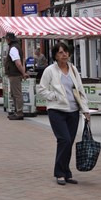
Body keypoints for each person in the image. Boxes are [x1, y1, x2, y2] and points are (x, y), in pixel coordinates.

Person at [36, 41, 90, 186]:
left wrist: (85, 109)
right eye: (60, 52)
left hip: (73, 111)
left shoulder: (73, 69)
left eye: (66, 51)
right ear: (55, 55)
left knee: (69, 142)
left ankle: (66, 173)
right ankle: (59, 173)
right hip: (56, 110)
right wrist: (54, 96)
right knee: (64, 140)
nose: (64, 54)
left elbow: (80, 90)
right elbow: (41, 89)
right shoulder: (50, 70)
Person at [4, 32, 29, 120]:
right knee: (15, 94)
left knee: (17, 94)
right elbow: (22, 61)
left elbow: (18, 63)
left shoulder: (13, 48)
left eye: (6, 38)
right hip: (15, 74)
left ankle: (19, 112)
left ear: (9, 39)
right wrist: (23, 72)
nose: (6, 40)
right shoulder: (17, 46)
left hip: (14, 74)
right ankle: (17, 112)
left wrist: (23, 73)